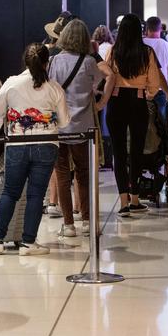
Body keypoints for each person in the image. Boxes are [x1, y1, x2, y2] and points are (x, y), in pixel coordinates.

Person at [0, 43, 70, 256]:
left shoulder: (12, 83)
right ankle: (28, 243)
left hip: (17, 144)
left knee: (10, 192)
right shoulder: (54, 87)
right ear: (46, 62)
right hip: (46, 144)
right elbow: (65, 122)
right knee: (36, 195)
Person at [48, 20, 113, 237]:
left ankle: (68, 225)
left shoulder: (54, 61)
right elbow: (101, 79)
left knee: (62, 174)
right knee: (84, 174)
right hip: (83, 125)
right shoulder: (88, 62)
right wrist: (98, 99)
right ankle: (86, 220)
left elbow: (51, 90)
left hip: (60, 125)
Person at [106, 14, 160, 216]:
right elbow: (154, 85)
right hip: (138, 101)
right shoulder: (147, 52)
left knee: (118, 152)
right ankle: (136, 198)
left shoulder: (114, 51)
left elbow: (108, 77)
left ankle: (123, 202)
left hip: (116, 101)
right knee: (137, 150)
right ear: (140, 30)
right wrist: (147, 93)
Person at [142, 16, 168, 120]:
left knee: (141, 123)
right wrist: (164, 71)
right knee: (159, 123)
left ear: (146, 29)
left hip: (141, 89)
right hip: (160, 89)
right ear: (161, 29)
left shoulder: (139, 44)